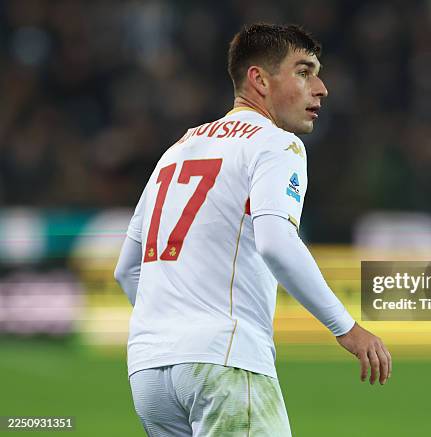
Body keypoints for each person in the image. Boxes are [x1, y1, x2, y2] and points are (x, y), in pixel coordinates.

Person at [114, 23, 392, 437]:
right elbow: (277, 243)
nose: (321, 89)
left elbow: (126, 269)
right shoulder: (276, 144)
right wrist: (346, 328)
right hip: (224, 364)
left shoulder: (176, 151)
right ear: (259, 80)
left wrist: (174, 331)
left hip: (149, 372)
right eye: (304, 72)